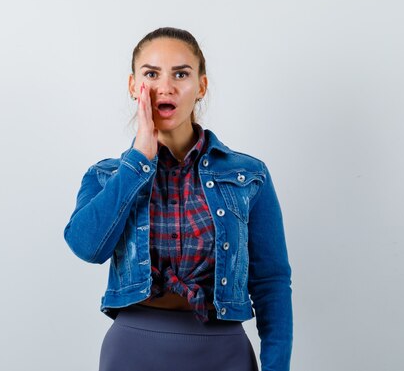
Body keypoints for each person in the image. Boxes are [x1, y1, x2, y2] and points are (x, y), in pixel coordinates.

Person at [64, 27, 293, 371]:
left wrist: (277, 367)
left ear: (201, 86)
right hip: (133, 351)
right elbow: (87, 247)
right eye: (151, 74)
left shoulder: (249, 175)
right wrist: (139, 159)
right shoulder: (107, 176)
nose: (166, 86)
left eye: (181, 74)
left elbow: (271, 282)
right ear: (133, 86)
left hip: (224, 352)